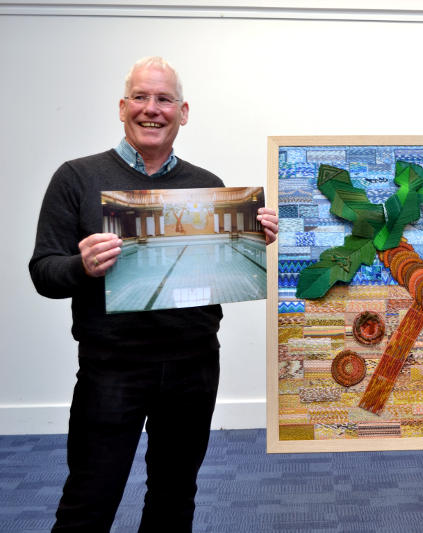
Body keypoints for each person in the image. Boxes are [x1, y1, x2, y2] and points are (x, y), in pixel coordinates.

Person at [29, 56, 279, 532]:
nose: (152, 109)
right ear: (122, 108)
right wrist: (82, 266)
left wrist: (255, 237)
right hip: (113, 368)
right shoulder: (76, 178)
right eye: (141, 98)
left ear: (183, 112)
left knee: (174, 498)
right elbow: (43, 272)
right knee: (89, 499)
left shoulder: (208, 187)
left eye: (164, 99)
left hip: (194, 366)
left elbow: (228, 271)